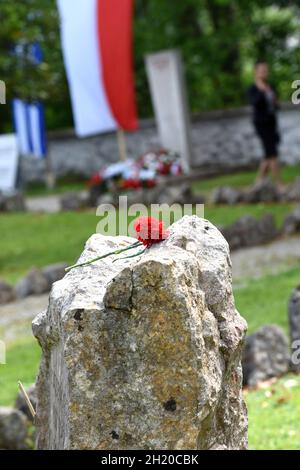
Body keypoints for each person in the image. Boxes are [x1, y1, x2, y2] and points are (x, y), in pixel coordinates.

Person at [248, 61, 282, 187]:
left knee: (268, 154)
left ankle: (258, 182)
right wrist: (262, 91)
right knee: (272, 153)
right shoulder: (253, 88)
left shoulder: (271, 86)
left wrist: (275, 101)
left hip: (272, 122)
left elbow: (276, 105)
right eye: (262, 70)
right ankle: (279, 183)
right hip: (261, 123)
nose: (264, 73)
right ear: (256, 72)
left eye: (266, 70)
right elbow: (255, 103)